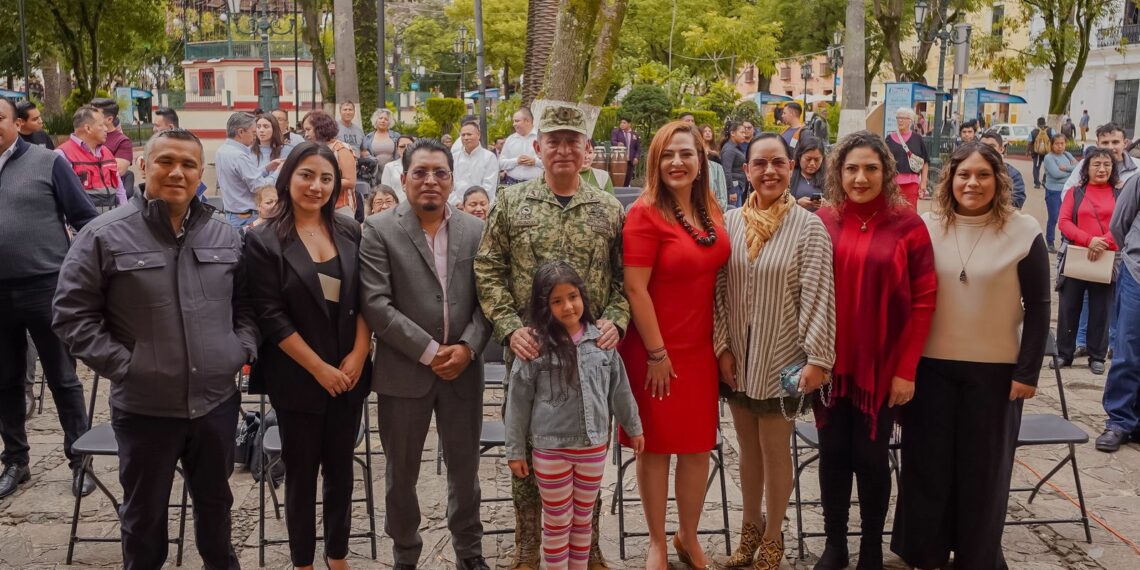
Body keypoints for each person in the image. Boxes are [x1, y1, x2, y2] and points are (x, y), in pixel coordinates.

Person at [53, 128, 258, 569]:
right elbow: (71, 315)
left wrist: (238, 350)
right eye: (166, 161)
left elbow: (247, 306)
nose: (177, 173)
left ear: (201, 172)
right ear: (144, 165)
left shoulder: (224, 235)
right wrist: (128, 366)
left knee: (216, 515)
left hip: (215, 406)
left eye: (188, 164)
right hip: (146, 409)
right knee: (144, 525)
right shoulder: (104, 235)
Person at [476, 100, 627, 570]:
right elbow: (487, 269)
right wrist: (509, 326)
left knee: (589, 445)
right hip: (531, 351)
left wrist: (616, 320)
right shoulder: (511, 202)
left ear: (587, 151)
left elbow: (625, 278)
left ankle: (590, 544)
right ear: (537, 147)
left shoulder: (607, 209)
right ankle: (528, 544)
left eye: (573, 142)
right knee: (524, 444)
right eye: (554, 142)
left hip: (588, 354)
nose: (563, 150)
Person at [892, 141, 1049, 570]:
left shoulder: (1025, 230)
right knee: (927, 468)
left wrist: (1028, 371)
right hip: (929, 369)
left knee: (984, 475)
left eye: (983, 175)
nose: (972, 183)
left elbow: (1039, 307)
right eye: (964, 174)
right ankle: (925, 554)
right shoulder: (926, 225)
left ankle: (978, 558)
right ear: (950, 178)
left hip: (996, 374)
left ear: (998, 181)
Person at [360, 137, 492, 570]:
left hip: (463, 372)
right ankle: (405, 554)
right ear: (404, 176)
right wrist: (432, 351)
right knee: (401, 474)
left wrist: (469, 348)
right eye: (421, 172)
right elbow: (376, 305)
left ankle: (469, 552)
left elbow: (487, 299)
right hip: (403, 373)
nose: (431, 180)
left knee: (465, 469)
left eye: (440, 172)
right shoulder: (380, 229)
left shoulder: (476, 229)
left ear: (452, 179)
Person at [243, 141, 371, 570]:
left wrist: (358, 352)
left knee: (341, 471)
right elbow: (270, 316)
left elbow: (366, 298)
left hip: (349, 374)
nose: (316, 186)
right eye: (307, 175)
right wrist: (319, 369)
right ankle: (303, 561)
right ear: (288, 178)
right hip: (298, 377)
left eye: (326, 178)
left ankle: (337, 555)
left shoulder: (349, 229)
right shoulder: (263, 240)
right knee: (301, 476)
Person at [814, 131, 937, 570]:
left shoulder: (909, 225)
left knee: (869, 456)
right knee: (832, 455)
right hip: (829, 365)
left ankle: (869, 547)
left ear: (886, 172)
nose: (860, 177)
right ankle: (835, 545)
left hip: (883, 367)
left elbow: (924, 301)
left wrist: (906, 371)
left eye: (870, 168)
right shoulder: (824, 221)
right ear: (838, 173)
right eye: (851, 168)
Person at [713, 132, 835, 569]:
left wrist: (818, 359)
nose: (769, 171)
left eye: (777, 163)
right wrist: (722, 347)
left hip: (784, 356)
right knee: (745, 445)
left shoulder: (808, 227)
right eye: (759, 163)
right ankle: (748, 529)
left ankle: (773, 536)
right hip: (740, 357)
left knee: (775, 446)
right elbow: (720, 291)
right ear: (746, 171)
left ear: (792, 167)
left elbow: (819, 296)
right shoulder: (730, 222)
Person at [621, 121, 730, 570]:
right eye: (668, 155)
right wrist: (657, 352)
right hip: (656, 349)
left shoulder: (711, 209)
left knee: (697, 446)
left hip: (700, 348)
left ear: (701, 160)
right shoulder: (645, 213)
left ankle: (687, 535)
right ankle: (656, 541)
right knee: (658, 446)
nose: (677, 162)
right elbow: (634, 289)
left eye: (686, 153)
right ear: (655, 162)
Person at [505, 261, 644, 570]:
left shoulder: (602, 342)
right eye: (557, 301)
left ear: (583, 296)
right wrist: (515, 451)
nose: (568, 306)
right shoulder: (535, 346)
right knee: (557, 522)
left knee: (582, 521)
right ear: (544, 306)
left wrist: (633, 428)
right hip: (551, 450)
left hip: (593, 447)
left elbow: (619, 389)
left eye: (573, 296)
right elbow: (518, 402)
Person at [0, 96, 98, 500]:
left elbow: (87, 221)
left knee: (62, 377)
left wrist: (73, 274)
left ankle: (81, 460)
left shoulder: (48, 162)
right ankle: (16, 461)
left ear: (16, 123)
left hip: (47, 287)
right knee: (5, 380)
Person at [1055, 148, 1119, 375]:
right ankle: (1064, 353)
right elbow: (1063, 221)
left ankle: (1097, 355)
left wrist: (1104, 243)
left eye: (1107, 165)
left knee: (1101, 309)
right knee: (1068, 306)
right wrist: (1089, 240)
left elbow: (1125, 224)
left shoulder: (1119, 194)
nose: (1102, 169)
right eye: (1096, 164)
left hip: (1107, 258)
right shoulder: (1076, 192)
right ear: (1086, 168)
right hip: (1077, 255)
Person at [1101, 163, 1140, 451]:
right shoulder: (1138, 181)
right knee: (1128, 349)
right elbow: (1119, 225)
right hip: (1137, 275)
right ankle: (1119, 421)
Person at [216, 112, 281, 228]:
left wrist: (266, 169)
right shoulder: (239, 156)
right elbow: (259, 187)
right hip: (245, 218)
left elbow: (241, 177)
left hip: (233, 214)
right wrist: (278, 172)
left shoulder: (222, 150)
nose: (255, 137)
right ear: (241, 132)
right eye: (253, 133)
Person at [56, 105, 125, 212]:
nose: (106, 129)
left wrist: (124, 215)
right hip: (82, 226)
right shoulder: (62, 154)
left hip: (111, 224)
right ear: (88, 128)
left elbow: (119, 190)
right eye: (101, 125)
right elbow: (59, 196)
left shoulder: (107, 152)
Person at [303, 110, 358, 217]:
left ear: (320, 128)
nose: (306, 134)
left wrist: (321, 184)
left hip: (340, 208)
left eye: (308, 129)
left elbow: (350, 181)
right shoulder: (311, 148)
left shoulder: (341, 149)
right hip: (318, 206)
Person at [1063, 122, 1139, 196]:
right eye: (1105, 143)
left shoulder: (1138, 167)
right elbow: (1066, 192)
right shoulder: (1085, 164)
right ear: (1098, 144)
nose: (1110, 147)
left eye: (1115, 142)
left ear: (1125, 143)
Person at [885, 107, 930, 210]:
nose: (900, 120)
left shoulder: (917, 138)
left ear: (910, 120)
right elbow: (884, 162)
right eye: (898, 117)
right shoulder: (889, 139)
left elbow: (925, 162)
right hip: (893, 184)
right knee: (893, 212)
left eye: (903, 118)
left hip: (912, 183)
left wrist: (923, 183)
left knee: (910, 212)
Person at [1043, 134, 1077, 253]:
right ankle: (1050, 242)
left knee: (1066, 217)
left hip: (1067, 191)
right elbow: (1056, 174)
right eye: (1057, 144)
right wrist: (1070, 172)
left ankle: (1065, 240)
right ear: (1052, 144)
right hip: (1053, 191)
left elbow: (1078, 168)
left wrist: (1066, 168)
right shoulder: (1049, 158)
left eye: (1062, 143)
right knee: (1053, 217)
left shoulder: (1067, 154)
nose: (1060, 146)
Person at [452, 121, 499, 204]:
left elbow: (489, 187)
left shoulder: (489, 157)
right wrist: (456, 202)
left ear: (479, 135)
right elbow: (449, 184)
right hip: (458, 207)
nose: (466, 138)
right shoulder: (454, 157)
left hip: (480, 208)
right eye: (463, 135)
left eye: (469, 134)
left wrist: (473, 205)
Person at [979, 130, 1027, 209]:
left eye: (991, 146)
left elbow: (1017, 199)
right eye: (983, 146)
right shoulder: (970, 170)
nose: (986, 150)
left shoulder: (1012, 174)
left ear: (1001, 149)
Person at [499, 107, 543, 186]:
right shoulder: (510, 139)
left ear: (527, 121)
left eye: (517, 121)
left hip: (535, 185)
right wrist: (516, 161)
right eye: (514, 121)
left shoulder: (541, 138)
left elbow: (550, 164)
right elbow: (500, 164)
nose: (514, 124)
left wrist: (535, 162)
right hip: (512, 184)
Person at [89, 97, 132, 177]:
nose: (89, 117)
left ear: (109, 119)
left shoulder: (122, 141)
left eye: (95, 113)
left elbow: (118, 171)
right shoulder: (86, 135)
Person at [790, 138, 827, 211]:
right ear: (800, 157)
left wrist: (827, 204)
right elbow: (779, 205)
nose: (812, 164)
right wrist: (797, 203)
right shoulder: (789, 176)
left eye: (817, 160)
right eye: (808, 159)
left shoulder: (828, 177)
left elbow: (837, 204)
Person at [720, 121, 749, 207]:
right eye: (742, 132)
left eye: (745, 133)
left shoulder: (734, 147)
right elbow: (726, 171)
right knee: (733, 216)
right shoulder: (729, 149)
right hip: (733, 188)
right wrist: (731, 191)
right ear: (732, 133)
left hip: (737, 187)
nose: (744, 135)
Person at [380, 135, 415, 200]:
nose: (406, 148)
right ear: (397, 149)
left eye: (410, 146)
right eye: (402, 146)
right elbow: (385, 191)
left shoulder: (422, 166)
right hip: (397, 206)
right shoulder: (389, 167)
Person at [611, 116, 641, 187]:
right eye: (621, 122)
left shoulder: (635, 135)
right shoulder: (616, 132)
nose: (622, 124)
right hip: (619, 161)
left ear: (629, 124)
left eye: (624, 123)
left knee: (627, 181)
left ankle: (625, 195)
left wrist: (636, 158)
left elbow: (638, 148)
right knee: (618, 180)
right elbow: (613, 141)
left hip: (630, 162)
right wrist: (617, 144)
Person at [1029, 117, 1055, 189]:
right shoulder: (1051, 130)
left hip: (1037, 153)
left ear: (1037, 123)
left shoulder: (1033, 132)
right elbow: (1055, 140)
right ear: (1045, 123)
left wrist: (1029, 152)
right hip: (1048, 153)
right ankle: (1044, 181)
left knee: (1036, 168)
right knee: (1048, 167)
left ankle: (1037, 183)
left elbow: (1030, 142)